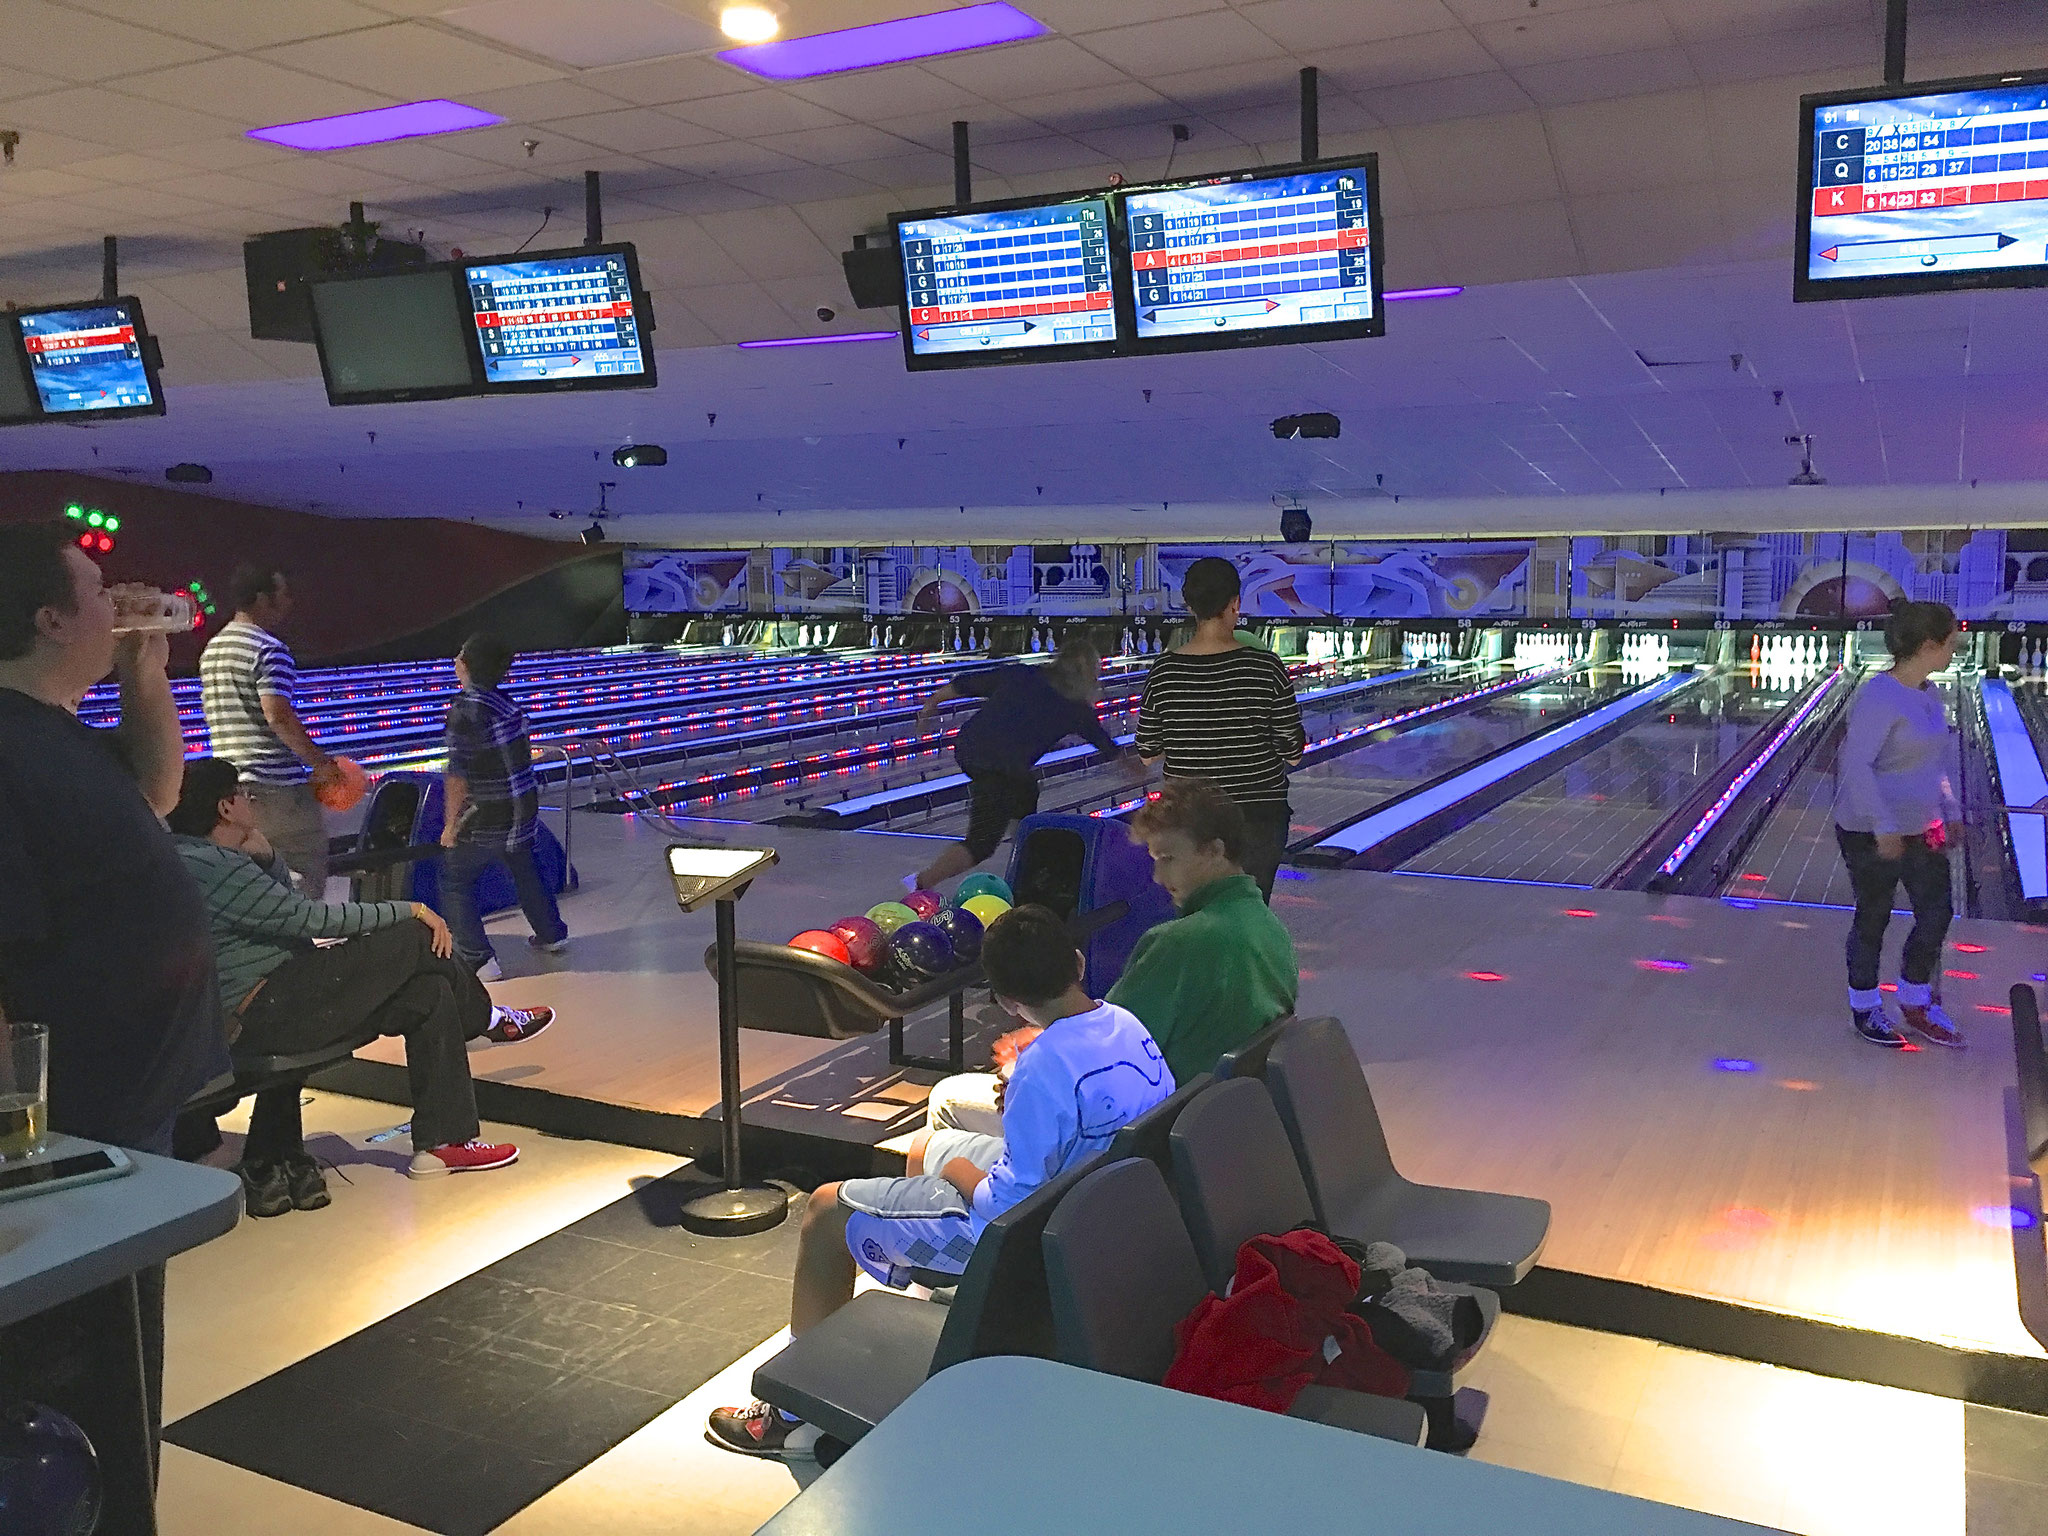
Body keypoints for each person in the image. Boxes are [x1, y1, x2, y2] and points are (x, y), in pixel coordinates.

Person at [706, 904, 1173, 1459]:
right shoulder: (1125, 1022)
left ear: (1003, 1001)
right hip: (1098, 1203)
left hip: (1029, 1229)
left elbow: (1005, 1203)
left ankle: (785, 1416)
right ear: (1076, 963)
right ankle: (938, 1302)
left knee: (827, 1211)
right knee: (924, 1146)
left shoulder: (1044, 1063)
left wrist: (956, 1169)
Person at [0, 522, 234, 1528]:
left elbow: (158, 790)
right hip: (66, 1145)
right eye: (100, 593)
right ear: (51, 617)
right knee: (85, 1389)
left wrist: (146, 662)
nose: (121, 601)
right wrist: (21, 1160)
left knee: (127, 1372)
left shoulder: (49, 729)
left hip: (121, 1122)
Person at [168, 757, 554, 1202]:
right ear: (226, 808)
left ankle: (444, 1144)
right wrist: (410, 908)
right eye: (245, 795)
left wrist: (268, 855)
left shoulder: (205, 856)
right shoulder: (211, 865)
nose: (251, 801)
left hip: (279, 998)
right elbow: (306, 917)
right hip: (267, 1008)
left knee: (425, 992)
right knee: (413, 935)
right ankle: (486, 1018)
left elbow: (276, 906)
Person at [927, 778, 1298, 1134]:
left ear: (1215, 850)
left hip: (1146, 1129)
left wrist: (1026, 1073)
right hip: (1223, 1120)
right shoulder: (1269, 926)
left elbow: (1098, 1054)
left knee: (946, 1099)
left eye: (1167, 858)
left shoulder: (1180, 942)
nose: (1156, 876)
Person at [1834, 600, 1964, 1050]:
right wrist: (1882, 825)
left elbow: (1934, 763)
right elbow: (1856, 766)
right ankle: (1865, 1007)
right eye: (1952, 641)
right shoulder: (1879, 698)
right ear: (1929, 645)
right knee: (1874, 916)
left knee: (1937, 911)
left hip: (1920, 825)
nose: (1958, 648)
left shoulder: (1929, 694)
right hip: (1870, 830)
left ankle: (1914, 999)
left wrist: (1952, 810)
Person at [1137, 558, 1306, 901]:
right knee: (1247, 913)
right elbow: (1294, 753)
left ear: (1189, 606)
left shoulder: (1164, 672)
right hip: (1257, 819)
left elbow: (1147, 753)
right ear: (1235, 604)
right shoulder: (1266, 668)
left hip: (1189, 821)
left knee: (1195, 915)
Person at [907, 639, 1130, 892]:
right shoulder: (1075, 707)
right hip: (996, 765)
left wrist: (930, 705)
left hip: (970, 747)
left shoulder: (1022, 673)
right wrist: (1138, 770)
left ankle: (1026, 853)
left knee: (1026, 789)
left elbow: (963, 684)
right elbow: (1110, 748)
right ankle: (920, 883)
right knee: (981, 843)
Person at [200, 563, 341, 894]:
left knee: (252, 886)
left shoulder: (213, 649)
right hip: (276, 790)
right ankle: (299, 945)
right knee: (302, 873)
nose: (289, 602)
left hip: (233, 790)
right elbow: (277, 716)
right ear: (263, 598)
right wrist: (322, 763)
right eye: (284, 594)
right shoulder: (269, 649)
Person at [440, 632, 568, 982]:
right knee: (525, 865)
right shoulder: (506, 703)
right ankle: (552, 934)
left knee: (454, 879)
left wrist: (450, 826)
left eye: (459, 654)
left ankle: (480, 961)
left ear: (465, 665)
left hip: (488, 812)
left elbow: (457, 775)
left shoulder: (465, 708)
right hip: (523, 806)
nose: (454, 660)